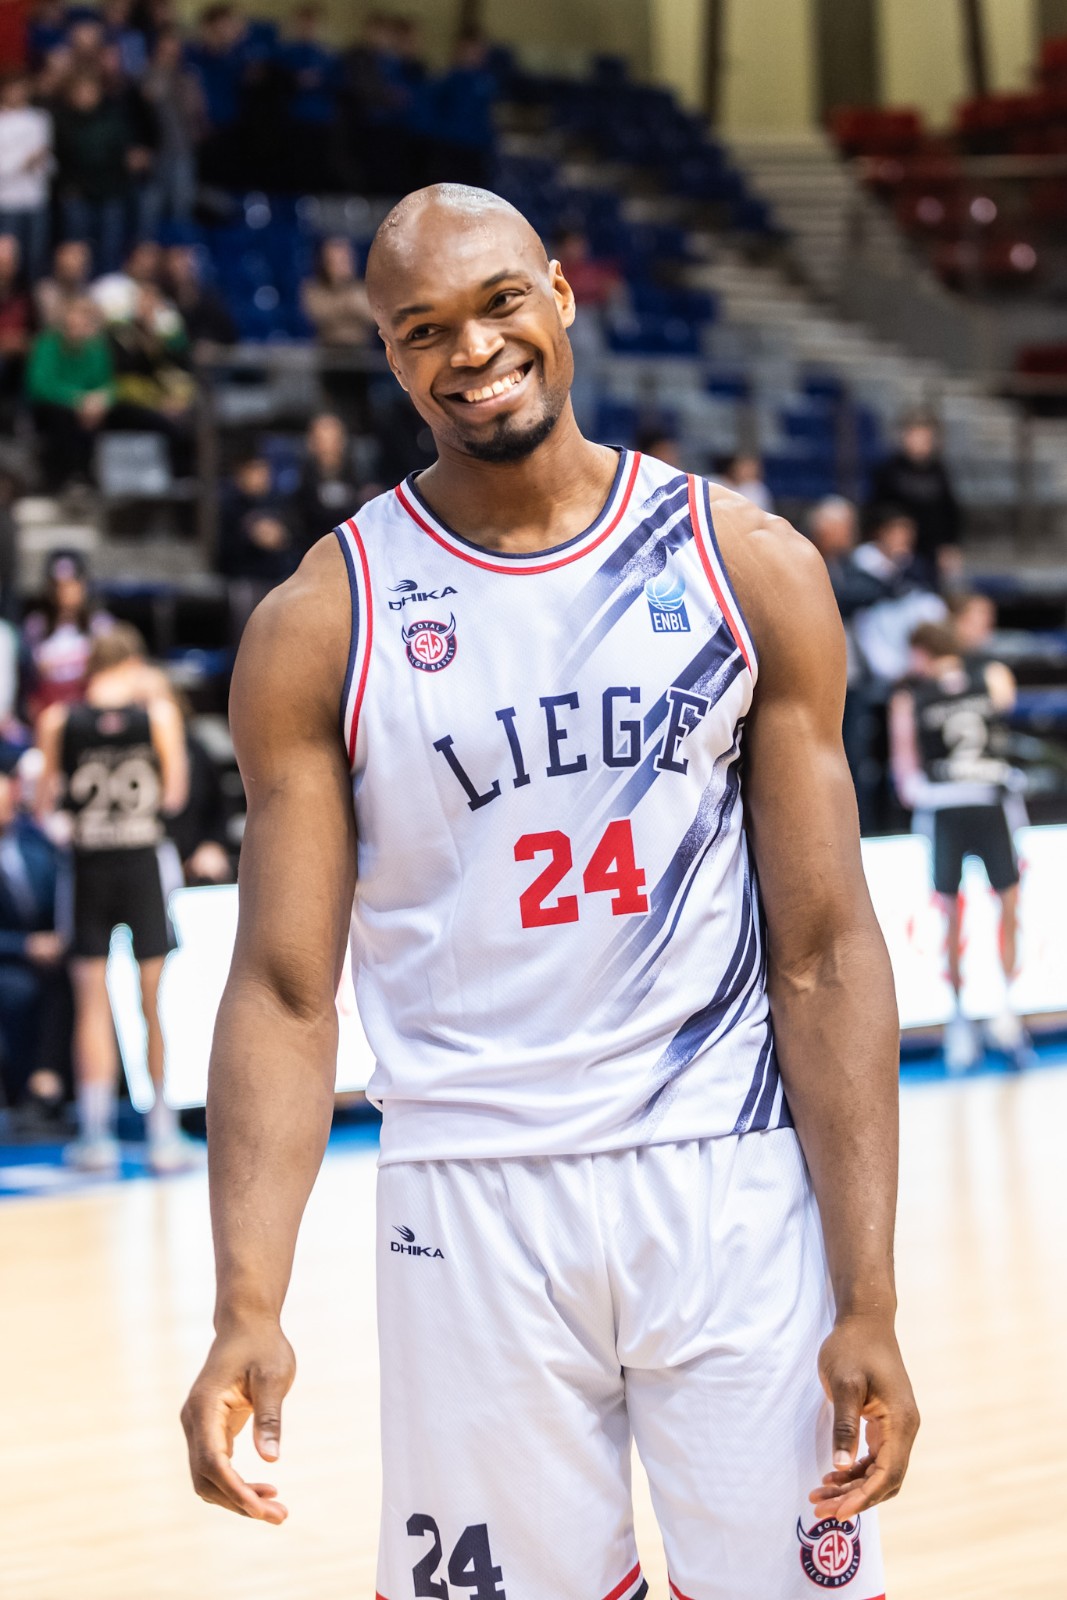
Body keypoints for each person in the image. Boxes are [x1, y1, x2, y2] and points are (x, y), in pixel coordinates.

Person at [181, 185, 918, 1599]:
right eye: (421, 330)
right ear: (388, 357)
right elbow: (282, 990)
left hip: (723, 1172)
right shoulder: (324, 620)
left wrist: (869, 1293)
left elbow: (824, 949)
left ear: (561, 295)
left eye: (498, 303)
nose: (470, 350)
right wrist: (245, 1302)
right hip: (466, 1200)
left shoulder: (742, 567)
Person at [36, 624, 199, 1173]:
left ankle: (96, 1135)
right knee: (152, 1003)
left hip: (88, 867)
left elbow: (46, 804)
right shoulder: (158, 716)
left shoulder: (60, 720)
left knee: (92, 1004)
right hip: (140, 864)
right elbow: (174, 796)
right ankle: (162, 1135)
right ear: (132, 665)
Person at [889, 620, 1030, 1073]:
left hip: (964, 806)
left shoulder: (912, 696)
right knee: (990, 908)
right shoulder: (990, 674)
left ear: (921, 651)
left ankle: (989, 1016)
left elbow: (905, 768)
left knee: (966, 912)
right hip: (972, 805)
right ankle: (974, 1017)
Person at [0, 741, 70, 1125]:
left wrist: (57, 938)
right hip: (9, 956)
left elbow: (59, 892)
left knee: (76, 974)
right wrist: (26, 946)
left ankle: (52, 1085)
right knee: (19, 989)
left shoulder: (34, 841)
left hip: (48, 952)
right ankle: (26, 1092)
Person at [26, 295, 115, 490]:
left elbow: (108, 385)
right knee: (63, 417)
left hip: (91, 409)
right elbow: (41, 386)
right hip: (52, 407)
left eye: (84, 320)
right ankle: (68, 477)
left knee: (126, 414)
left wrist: (101, 401)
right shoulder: (47, 344)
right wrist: (78, 400)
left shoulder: (96, 348)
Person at [52, 71, 136, 274]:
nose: (85, 96)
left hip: (110, 190)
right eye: (80, 91)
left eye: (90, 90)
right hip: (76, 192)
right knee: (77, 248)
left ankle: (107, 286)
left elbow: (122, 152)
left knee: (110, 246)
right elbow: (60, 157)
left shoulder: (113, 117)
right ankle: (77, 287)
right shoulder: (61, 121)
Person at [21, 547, 114, 722]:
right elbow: (30, 678)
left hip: (89, 709)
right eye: (57, 585)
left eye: (71, 584)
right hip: (48, 709)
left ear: (83, 585)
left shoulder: (100, 624)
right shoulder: (36, 625)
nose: (64, 591)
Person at [868, 412, 961, 584]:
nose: (919, 442)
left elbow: (949, 512)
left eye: (924, 438)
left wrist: (948, 546)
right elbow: (876, 510)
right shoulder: (888, 470)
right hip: (895, 545)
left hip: (930, 548)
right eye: (914, 436)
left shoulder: (939, 471)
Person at [0, 69, 53, 283]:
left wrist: (41, 162)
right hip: (7, 201)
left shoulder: (40, 118)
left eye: (22, 88)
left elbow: (48, 162)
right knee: (7, 260)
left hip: (36, 199)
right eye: (13, 88)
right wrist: (23, 163)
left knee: (35, 256)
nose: (18, 93)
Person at [291, 410, 365, 554]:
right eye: (321, 440)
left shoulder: (362, 475)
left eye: (333, 439)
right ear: (311, 442)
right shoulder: (299, 480)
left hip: (355, 548)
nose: (327, 447)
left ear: (343, 441)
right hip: (311, 547)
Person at [162, 243, 236, 349]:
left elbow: (228, 333)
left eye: (185, 260)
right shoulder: (162, 297)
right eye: (177, 260)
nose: (181, 267)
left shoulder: (210, 298)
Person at [34, 237, 93, 329]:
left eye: (80, 260)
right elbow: (53, 321)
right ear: (59, 262)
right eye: (72, 260)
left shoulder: (89, 291)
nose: (75, 265)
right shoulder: (45, 290)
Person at [946, 588, 996, 661]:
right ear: (959, 619)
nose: (990, 619)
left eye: (990, 614)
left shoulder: (987, 659)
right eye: (982, 612)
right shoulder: (941, 656)